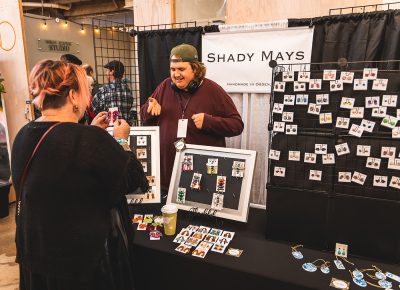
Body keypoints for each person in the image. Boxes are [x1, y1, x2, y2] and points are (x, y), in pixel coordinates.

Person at [11, 60, 148, 290]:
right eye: (85, 91)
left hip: (35, 254)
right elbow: (134, 180)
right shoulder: (88, 140)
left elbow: (63, 175)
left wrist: (92, 131)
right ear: (73, 95)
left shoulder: (23, 135)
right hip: (79, 264)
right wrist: (122, 140)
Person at [140, 43, 244, 193]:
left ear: (195, 69)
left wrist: (209, 122)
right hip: (167, 176)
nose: (176, 74)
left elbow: (237, 125)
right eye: (173, 69)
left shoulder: (213, 90)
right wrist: (149, 110)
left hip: (201, 175)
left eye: (181, 69)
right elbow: (143, 116)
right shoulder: (164, 86)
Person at [91, 60, 137, 126]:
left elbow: (93, 108)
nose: (106, 73)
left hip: (108, 130)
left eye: (107, 70)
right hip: (125, 129)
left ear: (112, 72)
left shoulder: (103, 90)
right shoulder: (128, 91)